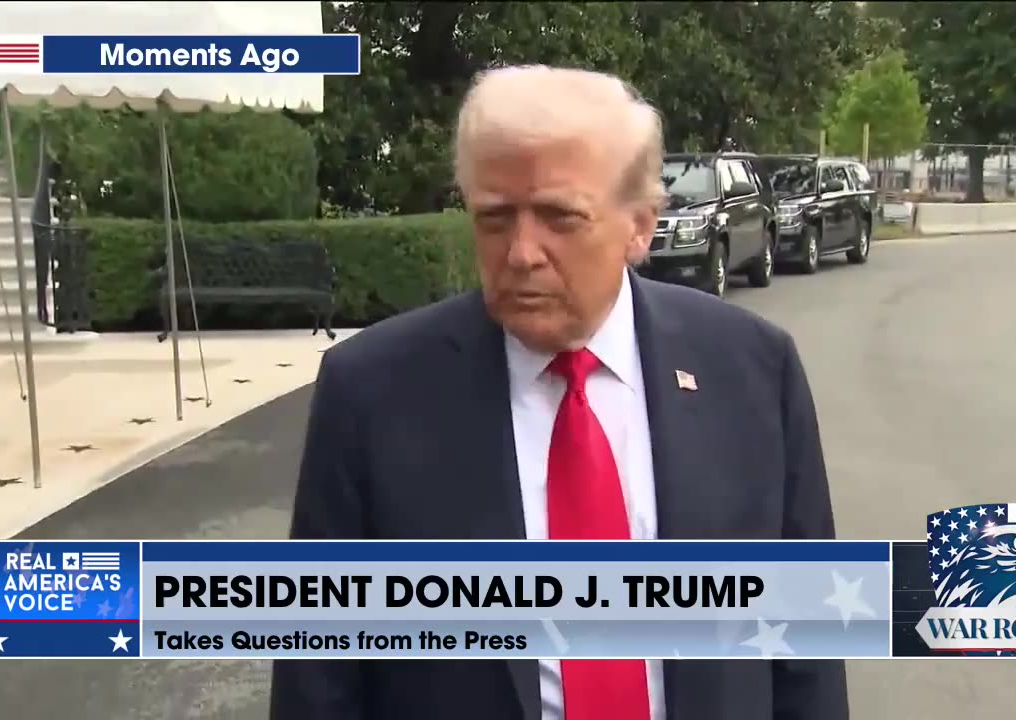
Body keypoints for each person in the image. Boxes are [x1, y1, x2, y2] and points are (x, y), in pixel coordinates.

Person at [269, 65, 847, 720]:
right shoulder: (370, 391)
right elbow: (319, 675)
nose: (521, 253)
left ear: (640, 226)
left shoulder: (752, 370)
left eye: (558, 217)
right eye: (493, 218)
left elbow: (809, 647)